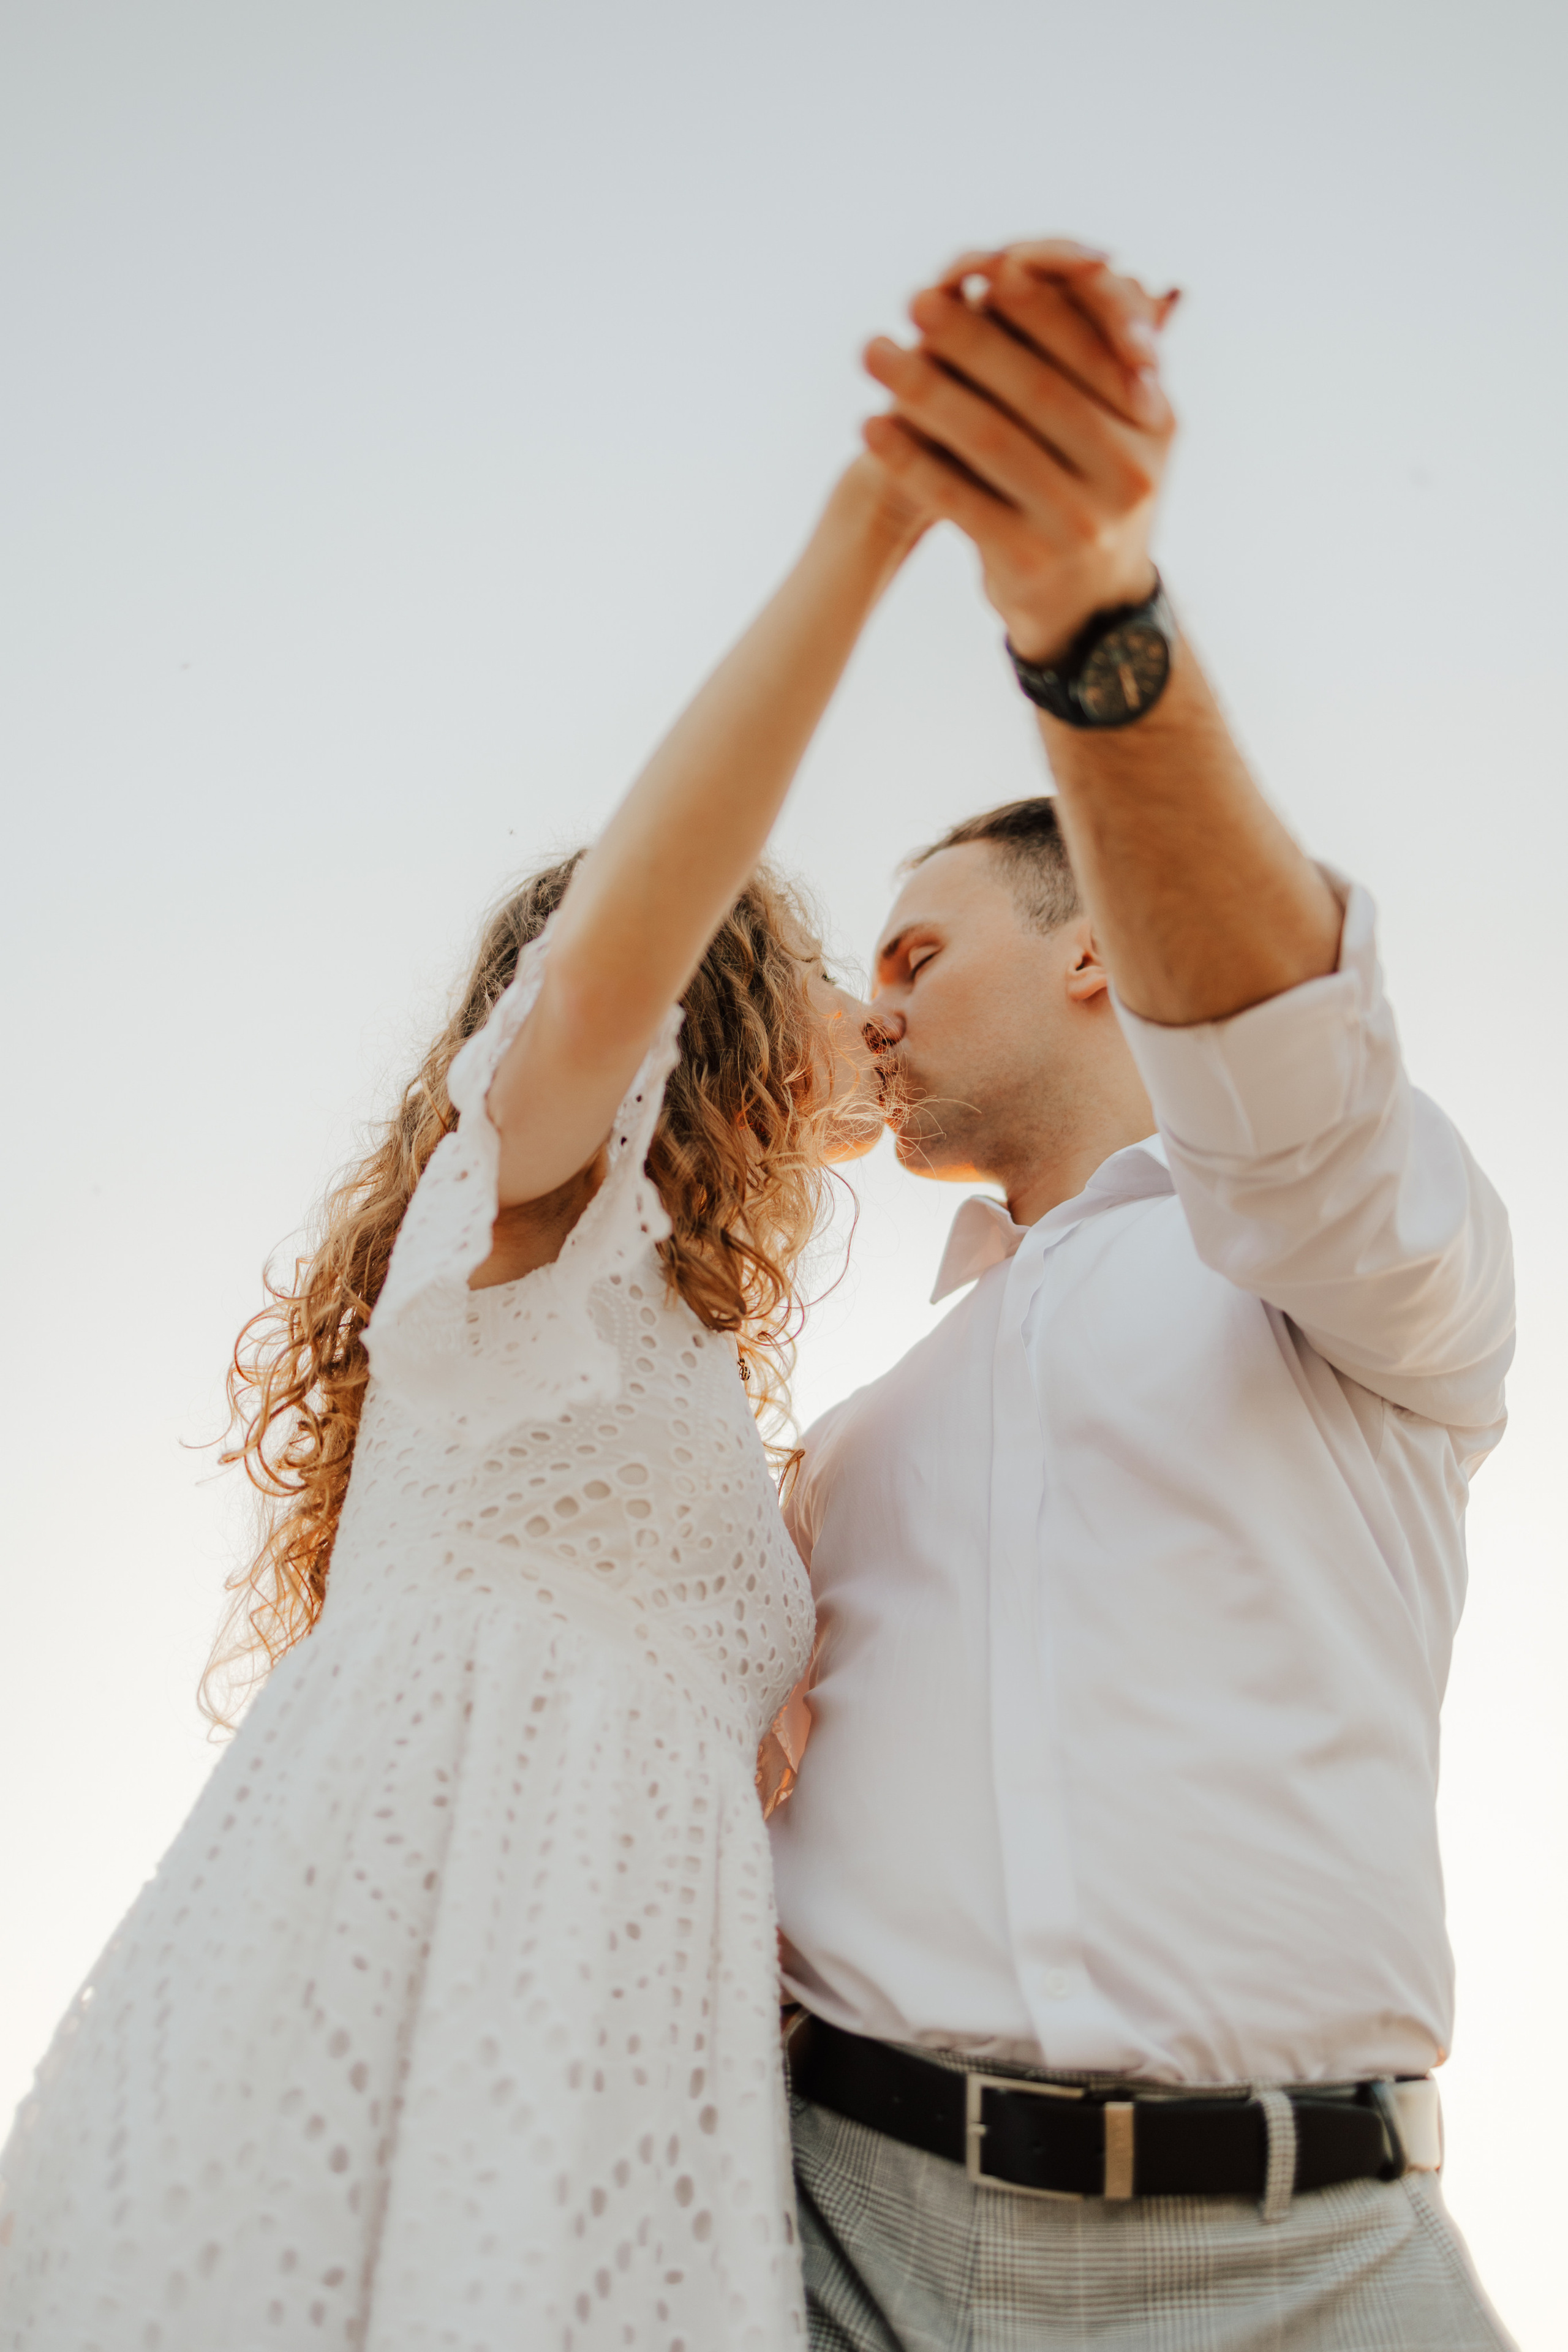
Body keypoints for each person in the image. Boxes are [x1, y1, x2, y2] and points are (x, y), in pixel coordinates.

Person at [0, 425, 951, 2346]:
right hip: (418, 1937)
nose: (876, 1012)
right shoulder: (530, 1212)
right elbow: (631, 941)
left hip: (612, 2005)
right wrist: (870, 536)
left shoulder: (660, 1351)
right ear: (724, 1012)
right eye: (837, 971)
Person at [771, 243, 1518, 2348]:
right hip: (828, 2239)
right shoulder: (846, 1438)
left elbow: (1284, 1088)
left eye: (919, 954)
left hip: (1320, 2268)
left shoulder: (1347, 1266)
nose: (871, 1008)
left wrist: (1087, 623)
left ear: (1100, 941)